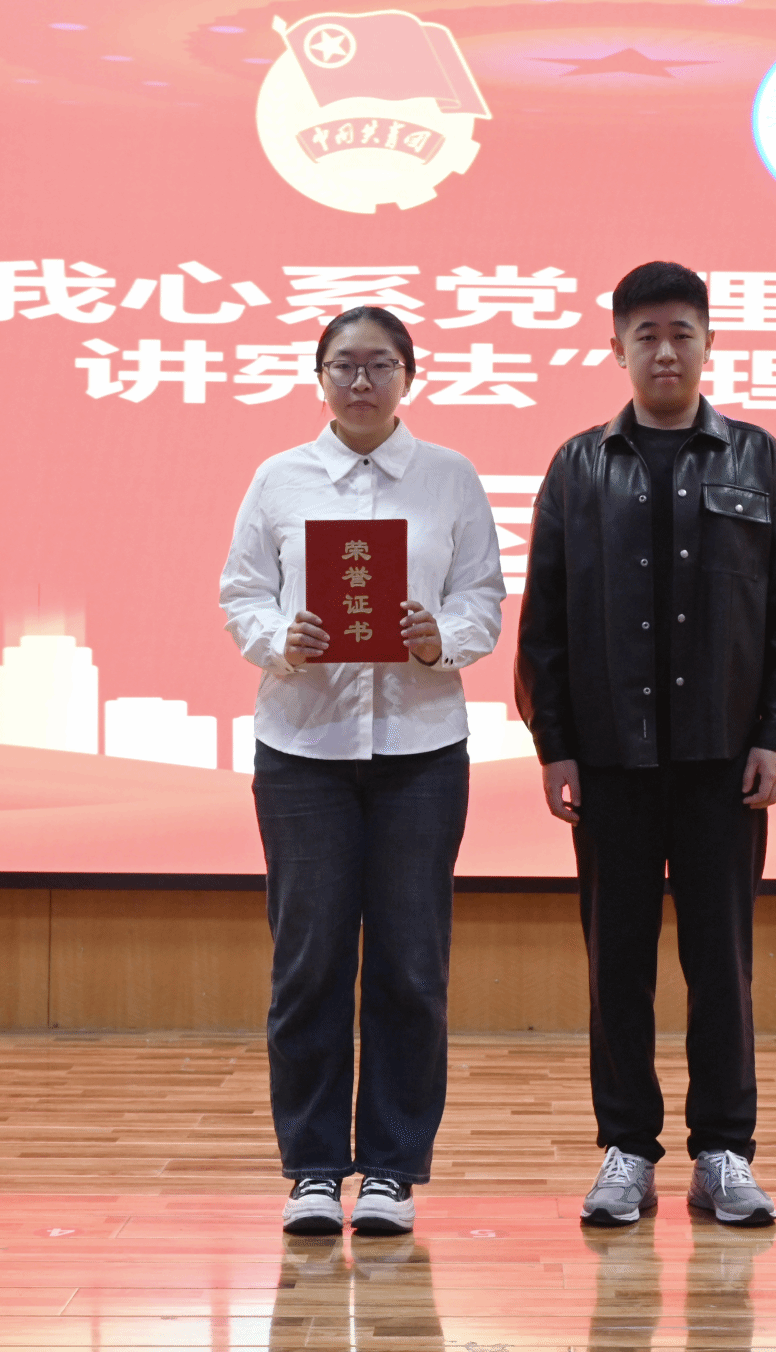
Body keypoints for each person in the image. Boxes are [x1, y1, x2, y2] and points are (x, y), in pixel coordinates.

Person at [515, 262, 776, 1228]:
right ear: (617, 349)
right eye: (644, 334)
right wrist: (555, 746)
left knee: (720, 964)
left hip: (722, 764)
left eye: (681, 332)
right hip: (610, 762)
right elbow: (545, 622)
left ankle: (724, 1152)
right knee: (617, 964)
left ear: (709, 344)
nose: (664, 351)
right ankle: (625, 1151)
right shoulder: (578, 467)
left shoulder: (760, 461)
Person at [220, 305, 505, 1237]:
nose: (360, 381)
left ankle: (389, 1169)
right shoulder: (278, 478)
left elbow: (483, 596)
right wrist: (280, 639)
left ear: (408, 376)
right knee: (308, 964)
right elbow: (242, 593)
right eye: (343, 365)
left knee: (411, 966)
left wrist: (438, 639)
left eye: (380, 364)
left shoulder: (450, 476)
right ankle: (311, 1169)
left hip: (421, 751)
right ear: (319, 377)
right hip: (304, 750)